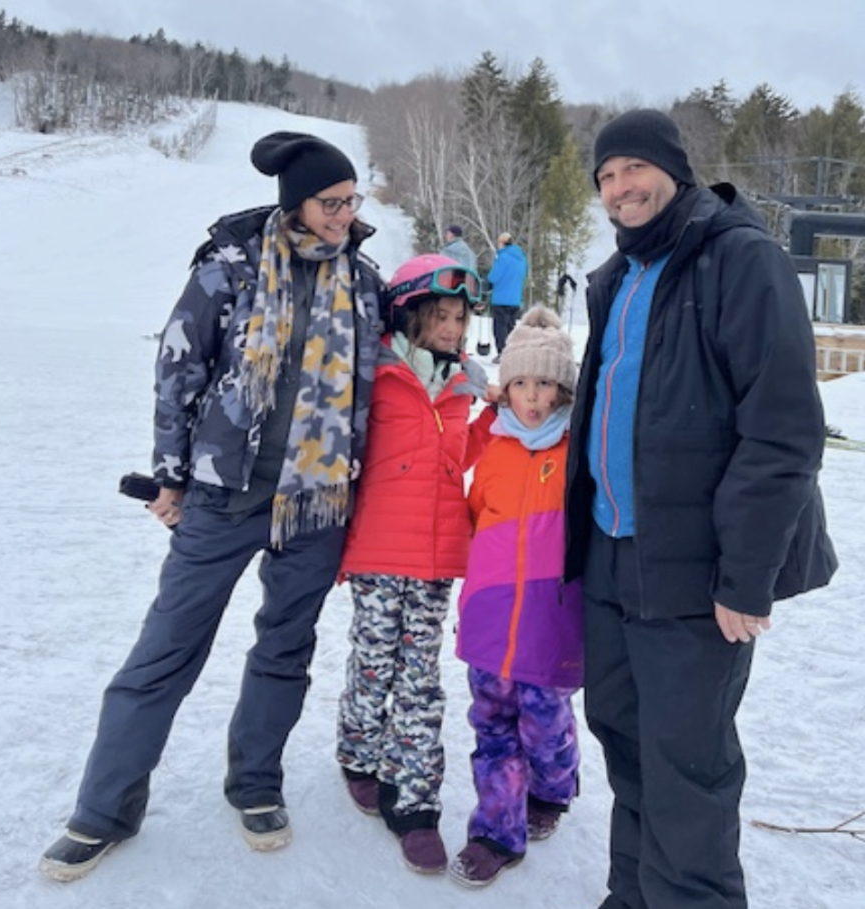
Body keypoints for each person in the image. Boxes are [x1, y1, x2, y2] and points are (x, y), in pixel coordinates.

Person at [39, 131, 385, 882]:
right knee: (165, 649)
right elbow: (178, 366)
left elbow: (380, 379)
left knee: (285, 649)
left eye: (353, 202)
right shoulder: (230, 266)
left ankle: (256, 782)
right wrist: (170, 475)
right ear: (297, 203)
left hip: (316, 502)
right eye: (333, 203)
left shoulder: (363, 279)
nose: (345, 215)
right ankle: (104, 807)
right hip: (223, 494)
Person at [565, 108, 838, 909]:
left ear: (673, 169)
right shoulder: (618, 278)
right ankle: (634, 895)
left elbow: (783, 429)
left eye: (632, 169)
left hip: (697, 571)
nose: (619, 188)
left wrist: (746, 576)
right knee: (626, 740)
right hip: (613, 557)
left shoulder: (739, 260)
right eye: (605, 177)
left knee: (688, 765)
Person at [335, 253, 496, 875]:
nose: (454, 328)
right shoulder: (374, 376)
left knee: (420, 678)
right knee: (375, 662)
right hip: (377, 551)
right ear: (410, 315)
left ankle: (415, 802)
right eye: (441, 316)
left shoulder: (458, 390)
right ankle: (358, 752)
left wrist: (495, 416)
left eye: (460, 317)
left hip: (435, 557)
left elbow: (459, 457)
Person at [449, 306, 583, 888]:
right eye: (522, 383)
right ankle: (496, 831)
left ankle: (554, 787)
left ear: (563, 389)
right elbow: (476, 518)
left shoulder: (577, 454)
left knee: (545, 724)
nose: (532, 397)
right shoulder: (494, 450)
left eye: (545, 384)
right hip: (488, 615)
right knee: (492, 725)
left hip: (549, 620)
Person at [486, 232, 528, 363]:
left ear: (502, 243)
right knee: (511, 326)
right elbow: (523, 276)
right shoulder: (521, 259)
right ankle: (512, 352)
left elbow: (494, 277)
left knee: (500, 328)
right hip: (515, 299)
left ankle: (502, 353)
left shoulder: (502, 258)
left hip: (501, 298)